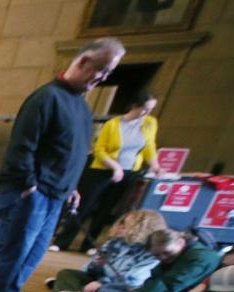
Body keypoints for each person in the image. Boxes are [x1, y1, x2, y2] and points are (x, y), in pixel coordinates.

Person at [0, 38, 126, 292]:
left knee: (32, 255)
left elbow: (73, 152)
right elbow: (22, 148)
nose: (103, 78)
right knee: (13, 252)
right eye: (101, 70)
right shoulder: (46, 98)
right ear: (83, 61)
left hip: (57, 194)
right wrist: (29, 185)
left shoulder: (81, 106)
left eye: (108, 73)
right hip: (31, 193)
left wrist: (72, 188)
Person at [53, 91, 161, 253]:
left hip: (129, 172)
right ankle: (62, 241)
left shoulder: (150, 123)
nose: (146, 113)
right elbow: (99, 150)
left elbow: (149, 147)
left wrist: (156, 166)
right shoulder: (113, 124)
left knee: (106, 210)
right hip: (102, 170)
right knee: (84, 207)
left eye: (150, 109)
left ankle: (89, 244)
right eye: (144, 108)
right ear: (135, 106)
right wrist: (114, 167)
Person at [48, 209, 167, 292]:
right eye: (121, 223)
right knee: (66, 273)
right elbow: (91, 270)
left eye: (126, 225)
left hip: (122, 288)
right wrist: (96, 265)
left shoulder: (150, 254)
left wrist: (103, 283)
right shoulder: (114, 242)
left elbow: (133, 281)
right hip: (100, 280)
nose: (120, 227)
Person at [128, 228, 221, 292]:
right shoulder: (179, 255)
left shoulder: (201, 258)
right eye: (157, 255)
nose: (162, 258)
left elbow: (169, 285)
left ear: (180, 242)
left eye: (167, 252)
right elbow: (155, 279)